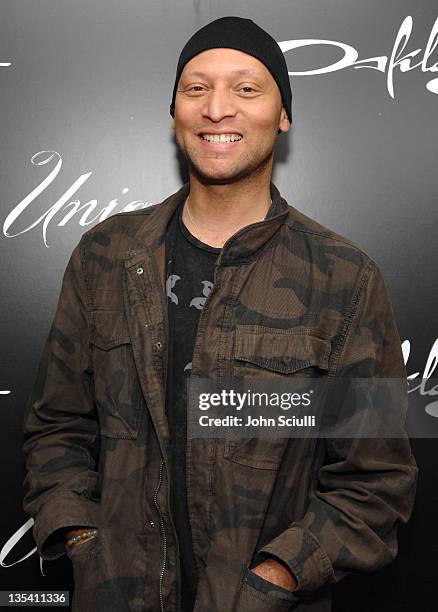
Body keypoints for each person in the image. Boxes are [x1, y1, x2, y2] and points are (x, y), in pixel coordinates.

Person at [22, 15, 418, 612]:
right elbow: (58, 428)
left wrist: (274, 579)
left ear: (283, 115)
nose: (217, 109)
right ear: (175, 112)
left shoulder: (344, 278)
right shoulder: (104, 256)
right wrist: (84, 541)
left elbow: (376, 480)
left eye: (247, 88)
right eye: (197, 88)